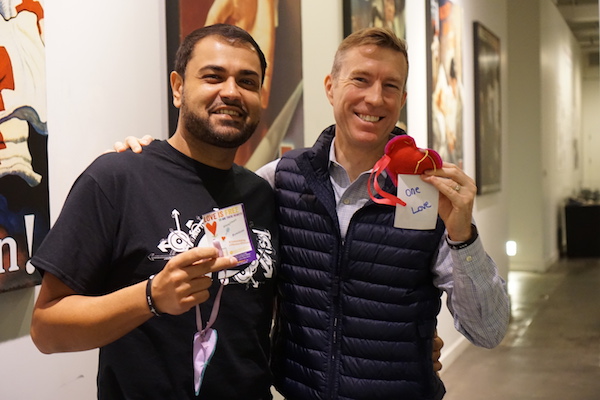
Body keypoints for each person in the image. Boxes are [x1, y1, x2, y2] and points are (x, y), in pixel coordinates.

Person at [116, 27, 508, 400]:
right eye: (360, 80)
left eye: (391, 86)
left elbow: (488, 331)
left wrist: (463, 236)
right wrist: (150, 156)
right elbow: (205, 195)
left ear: (402, 99)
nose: (375, 98)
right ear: (330, 87)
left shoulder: (427, 191)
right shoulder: (279, 180)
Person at [30, 24, 278, 400]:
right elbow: (46, 329)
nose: (231, 91)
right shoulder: (117, 178)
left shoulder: (261, 195)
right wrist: (150, 297)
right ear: (178, 87)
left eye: (247, 81)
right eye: (213, 76)